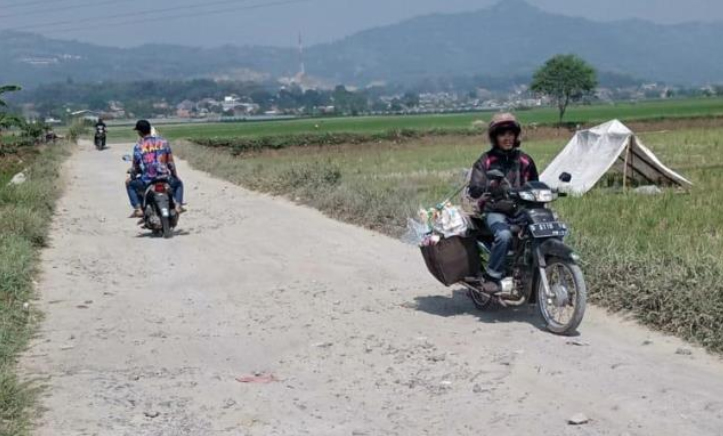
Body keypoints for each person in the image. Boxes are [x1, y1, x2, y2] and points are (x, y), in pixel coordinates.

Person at [468, 113, 539, 294]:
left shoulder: (525, 160)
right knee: (505, 236)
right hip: (495, 210)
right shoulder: (486, 160)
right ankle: (493, 276)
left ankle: (544, 271)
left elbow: (535, 184)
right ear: (495, 137)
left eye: (510, 134)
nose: (507, 138)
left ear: (516, 136)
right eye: (502, 134)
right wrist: (491, 188)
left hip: (521, 209)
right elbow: (474, 188)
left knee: (547, 228)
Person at [126, 120, 185, 218]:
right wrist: (174, 175)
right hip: (164, 177)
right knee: (178, 183)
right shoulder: (163, 142)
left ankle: (138, 209)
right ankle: (178, 206)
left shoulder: (138, 146)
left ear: (139, 132)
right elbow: (170, 162)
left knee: (129, 184)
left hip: (147, 180)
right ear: (150, 129)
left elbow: (136, 166)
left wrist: (132, 176)